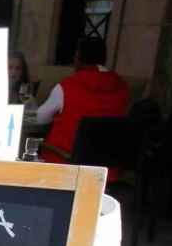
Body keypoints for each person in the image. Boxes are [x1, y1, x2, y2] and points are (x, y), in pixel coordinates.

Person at [38, 37, 129, 174]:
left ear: (78, 57)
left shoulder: (68, 86)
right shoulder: (122, 86)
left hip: (66, 166)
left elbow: (39, 119)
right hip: (107, 170)